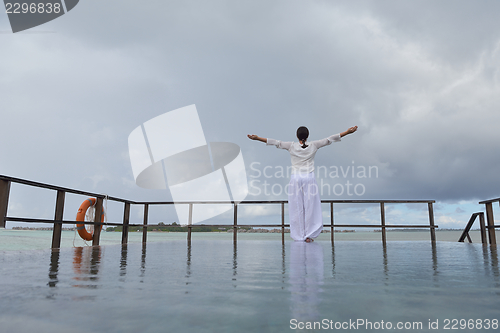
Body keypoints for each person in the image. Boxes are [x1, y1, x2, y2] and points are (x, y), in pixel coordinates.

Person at [247, 125, 358, 242]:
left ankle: (299, 235)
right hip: (309, 178)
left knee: (296, 206)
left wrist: (257, 138)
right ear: (308, 136)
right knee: (311, 206)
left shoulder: (291, 145)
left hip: (296, 178)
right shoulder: (314, 145)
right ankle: (309, 235)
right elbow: (329, 139)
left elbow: (275, 142)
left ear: (297, 136)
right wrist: (347, 132)